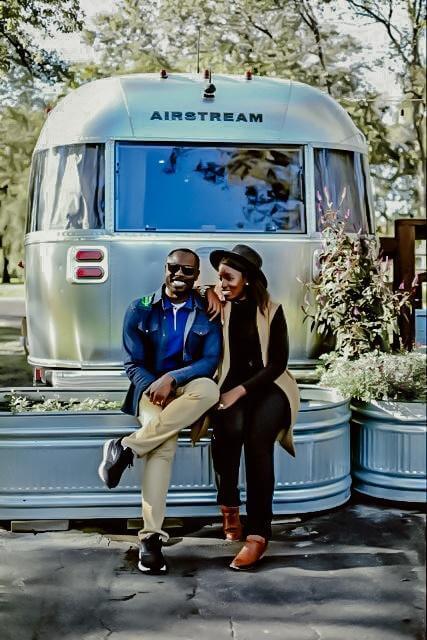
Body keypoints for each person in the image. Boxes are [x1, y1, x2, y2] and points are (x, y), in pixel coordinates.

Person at [98, 248, 221, 574]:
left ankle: (126, 447)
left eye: (187, 271)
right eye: (173, 268)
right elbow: (132, 364)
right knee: (163, 444)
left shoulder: (207, 313)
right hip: (149, 389)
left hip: (188, 386)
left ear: (196, 276)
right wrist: (156, 386)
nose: (179, 275)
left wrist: (173, 379)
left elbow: (210, 361)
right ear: (165, 268)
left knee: (210, 390)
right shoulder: (139, 310)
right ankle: (151, 537)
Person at [209, 244, 300, 570]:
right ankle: (229, 506)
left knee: (258, 440)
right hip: (227, 384)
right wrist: (207, 291)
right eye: (219, 277)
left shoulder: (271, 310)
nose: (222, 283)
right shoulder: (217, 305)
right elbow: (188, 289)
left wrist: (240, 391)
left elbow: (277, 364)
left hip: (268, 387)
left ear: (247, 279)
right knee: (227, 430)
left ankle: (258, 533)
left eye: (228, 278)